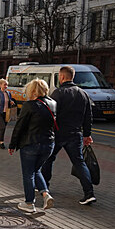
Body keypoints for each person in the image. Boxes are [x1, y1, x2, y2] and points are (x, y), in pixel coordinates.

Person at [41, 66, 96, 205]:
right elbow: (88, 116)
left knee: (48, 159)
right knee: (79, 162)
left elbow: (50, 115)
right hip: (75, 134)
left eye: (59, 76)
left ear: (62, 77)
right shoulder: (83, 94)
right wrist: (87, 134)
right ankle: (89, 193)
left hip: (58, 134)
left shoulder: (57, 93)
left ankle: (44, 187)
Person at [8, 78, 57, 213]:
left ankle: (29, 203)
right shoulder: (53, 103)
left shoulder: (29, 105)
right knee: (37, 170)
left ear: (33, 91)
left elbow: (20, 126)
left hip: (31, 144)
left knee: (28, 173)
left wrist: (12, 144)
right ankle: (46, 195)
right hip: (48, 145)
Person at [0, 79, 15, 149]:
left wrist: (11, 102)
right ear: (0, 85)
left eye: (7, 85)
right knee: (2, 127)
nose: (6, 86)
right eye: (4, 85)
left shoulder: (8, 93)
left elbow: (9, 100)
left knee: (3, 128)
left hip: (6, 113)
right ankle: (1, 142)